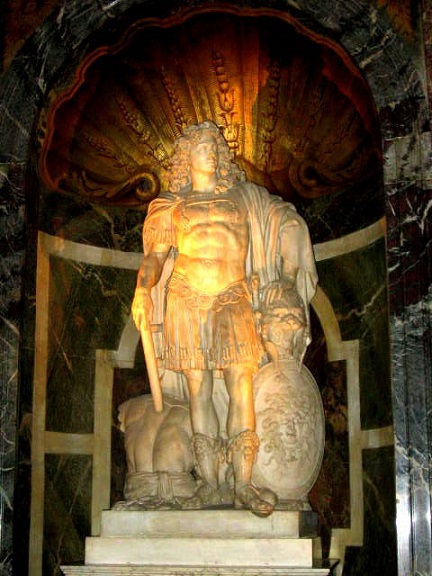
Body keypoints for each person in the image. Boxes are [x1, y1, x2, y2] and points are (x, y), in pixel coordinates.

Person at [132, 121, 318, 517]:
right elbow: (155, 258)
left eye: (215, 146)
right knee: (199, 389)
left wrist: (286, 273)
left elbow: (282, 221)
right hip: (187, 298)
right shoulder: (170, 206)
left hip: (233, 296)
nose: (211, 152)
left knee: (241, 385)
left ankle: (243, 482)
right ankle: (210, 482)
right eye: (202, 146)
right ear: (186, 157)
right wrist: (142, 289)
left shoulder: (243, 197)